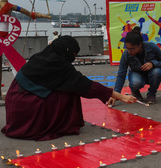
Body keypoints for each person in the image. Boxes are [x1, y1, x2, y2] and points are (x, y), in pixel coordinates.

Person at [1, 36, 136, 141]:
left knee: (68, 86)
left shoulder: (42, 56)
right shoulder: (59, 65)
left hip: (15, 106)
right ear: (67, 51)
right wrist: (122, 97)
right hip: (27, 108)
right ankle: (64, 124)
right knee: (68, 91)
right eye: (73, 54)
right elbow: (87, 86)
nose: (74, 58)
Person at [113, 26, 161, 104]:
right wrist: (116, 95)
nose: (129, 51)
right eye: (127, 48)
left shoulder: (152, 47)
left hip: (152, 72)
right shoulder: (126, 54)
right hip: (137, 73)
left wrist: (153, 64)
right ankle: (135, 91)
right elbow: (121, 74)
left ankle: (152, 93)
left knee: (157, 72)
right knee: (136, 83)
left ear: (140, 44)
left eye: (132, 49)